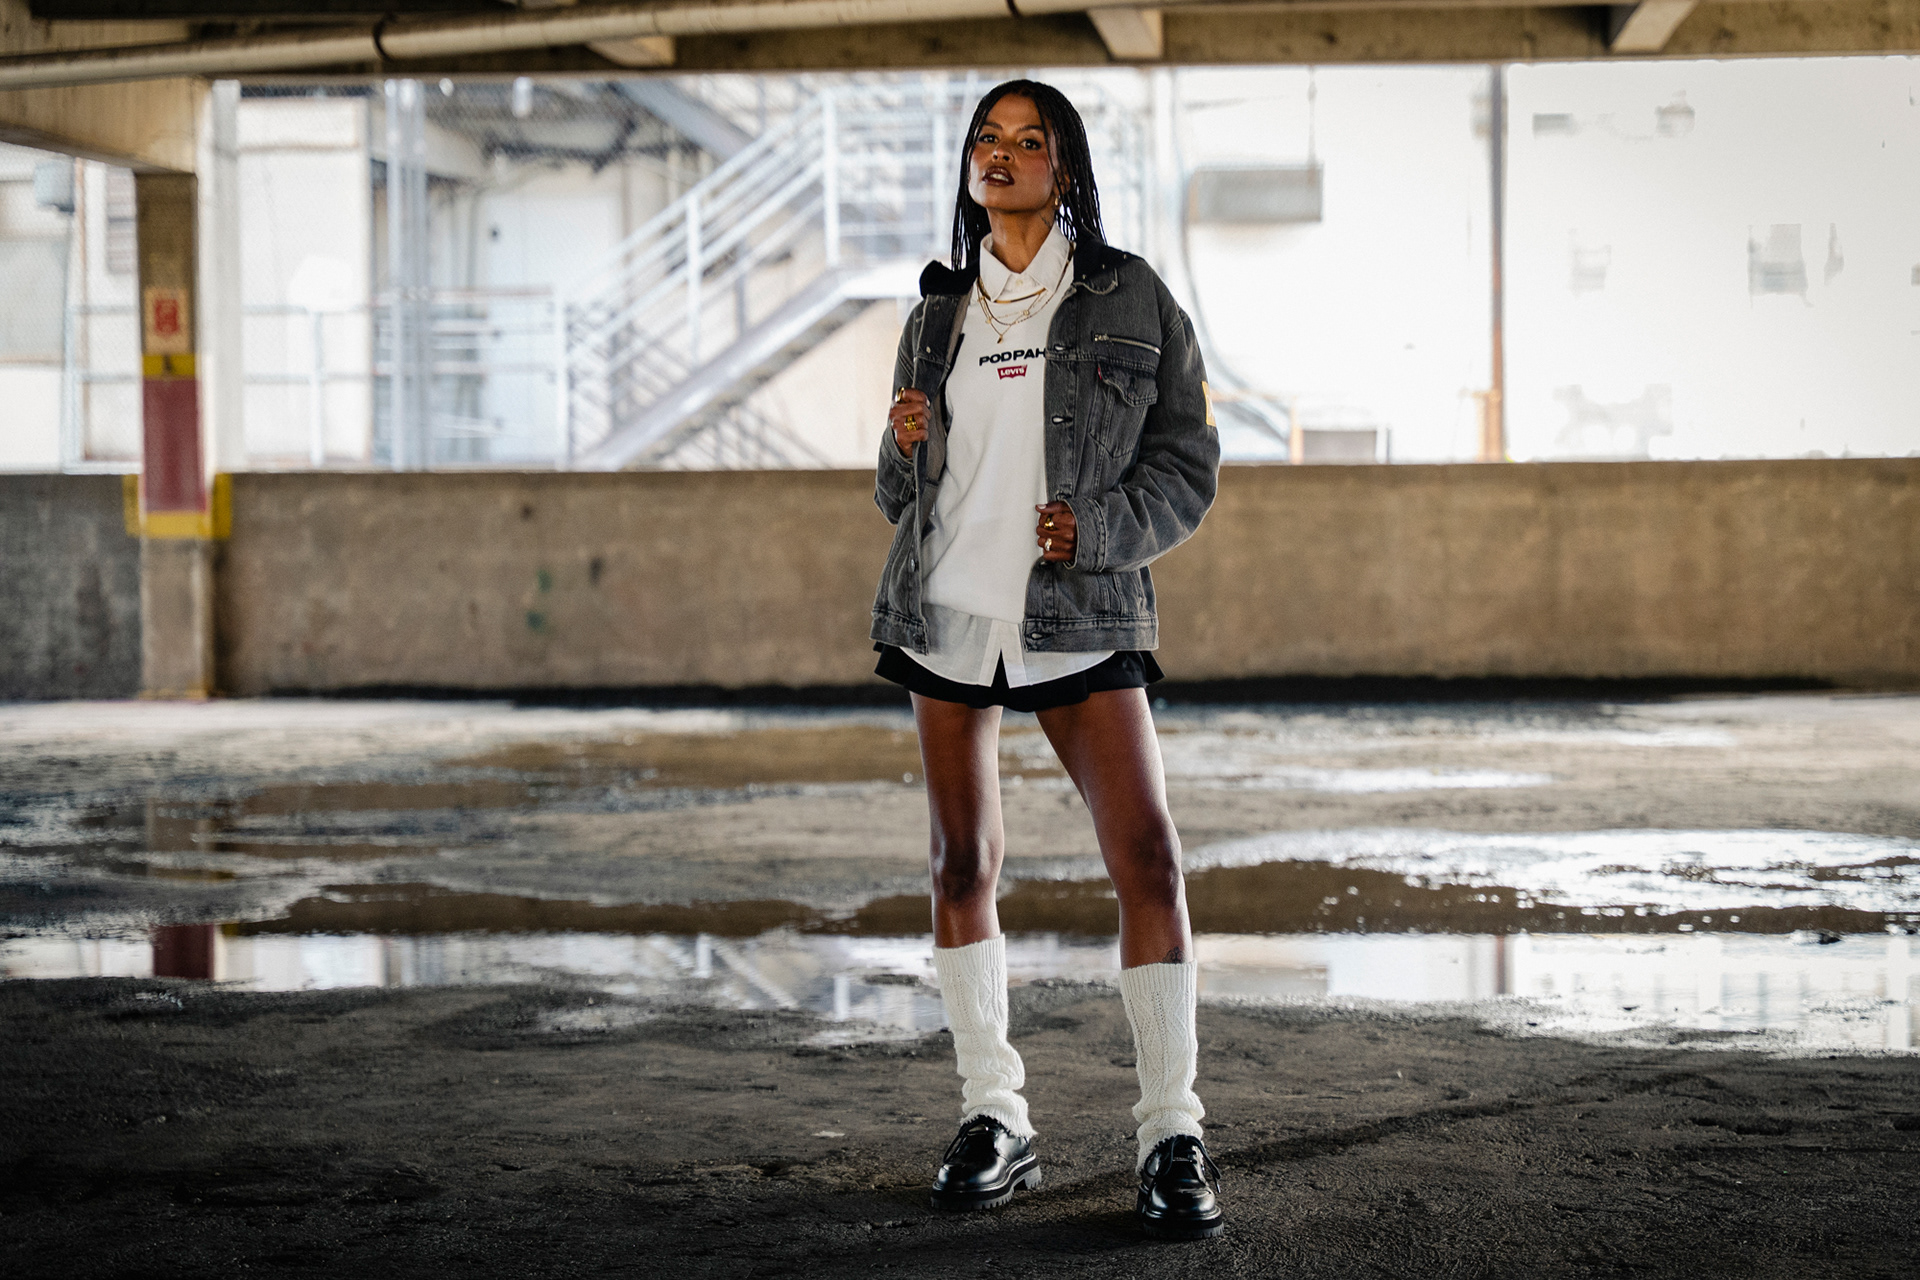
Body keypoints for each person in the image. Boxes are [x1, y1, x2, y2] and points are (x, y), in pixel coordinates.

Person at [870, 79, 1224, 1240]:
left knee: (1149, 859)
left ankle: (1171, 1132)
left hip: (1079, 608)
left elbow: (1189, 461)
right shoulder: (934, 318)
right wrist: (899, 442)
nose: (1003, 154)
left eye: (1029, 141)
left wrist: (1103, 530)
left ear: (1065, 167)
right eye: (987, 138)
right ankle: (994, 1114)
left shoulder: (1131, 297)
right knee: (959, 862)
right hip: (946, 611)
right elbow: (898, 493)